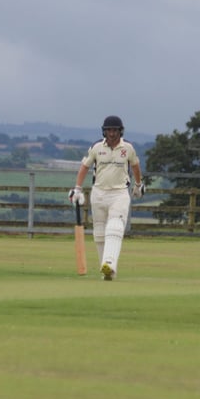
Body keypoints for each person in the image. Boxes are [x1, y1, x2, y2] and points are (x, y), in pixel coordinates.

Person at [68, 115, 144, 281]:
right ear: (104, 131)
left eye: (114, 130)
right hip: (99, 193)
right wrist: (78, 189)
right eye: (109, 130)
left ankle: (109, 263)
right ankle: (107, 271)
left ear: (120, 131)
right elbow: (84, 167)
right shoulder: (96, 147)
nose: (111, 133)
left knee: (115, 227)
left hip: (119, 193)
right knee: (100, 232)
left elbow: (136, 166)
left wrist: (138, 185)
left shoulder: (128, 148)